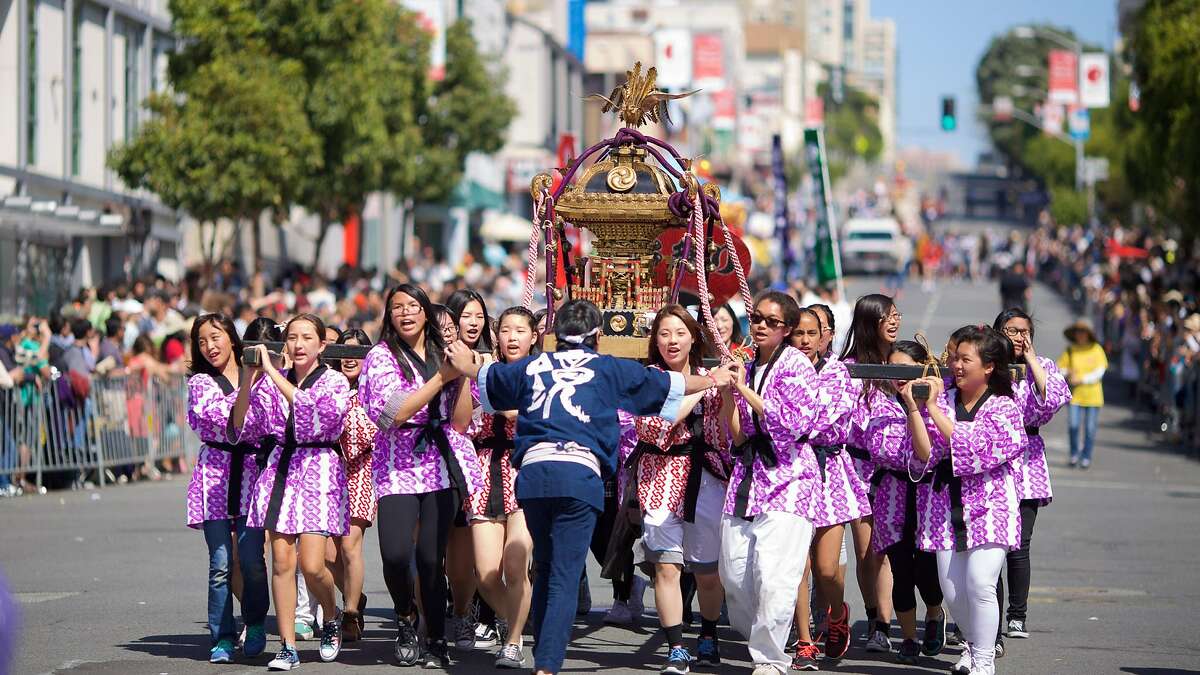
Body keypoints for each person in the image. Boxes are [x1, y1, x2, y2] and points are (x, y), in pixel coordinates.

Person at [444, 299, 730, 675]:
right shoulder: (607, 367)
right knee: (563, 572)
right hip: (578, 477)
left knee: (545, 569)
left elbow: (488, 379)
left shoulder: (534, 365)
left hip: (532, 477)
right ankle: (546, 665)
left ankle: (540, 653)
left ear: (553, 336)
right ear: (597, 336)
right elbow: (670, 385)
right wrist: (713, 379)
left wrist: (467, 362)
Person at [357, 283, 484, 669]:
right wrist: (441, 378)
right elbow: (393, 413)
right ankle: (405, 615)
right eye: (397, 307)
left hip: (439, 463)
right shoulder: (381, 356)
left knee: (431, 559)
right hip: (396, 462)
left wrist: (461, 375)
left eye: (414, 306)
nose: (406, 313)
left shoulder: (441, 353)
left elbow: (461, 422)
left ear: (427, 312)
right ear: (389, 315)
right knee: (396, 554)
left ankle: (435, 637)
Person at [232, 313, 352, 671]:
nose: (298, 345)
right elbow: (241, 427)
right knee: (282, 561)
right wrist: (247, 380)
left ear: (321, 345)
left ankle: (331, 616)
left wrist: (272, 374)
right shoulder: (269, 382)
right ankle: (286, 646)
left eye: (306, 338)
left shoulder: (334, 382)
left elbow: (316, 413)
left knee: (313, 565)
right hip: (280, 470)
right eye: (293, 338)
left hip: (320, 469)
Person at [623, 305, 735, 673]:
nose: (672, 341)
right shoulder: (648, 379)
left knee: (706, 571)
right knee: (666, 568)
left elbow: (724, 435)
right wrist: (701, 389)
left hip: (705, 477)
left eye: (680, 333)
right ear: (655, 340)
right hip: (659, 474)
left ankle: (708, 631)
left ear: (693, 337)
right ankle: (675, 647)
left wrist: (729, 390)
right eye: (664, 334)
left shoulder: (712, 375)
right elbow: (654, 429)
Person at [909, 325, 1026, 675]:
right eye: (954, 358)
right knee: (953, 591)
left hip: (992, 504)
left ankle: (985, 661)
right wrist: (915, 409)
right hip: (946, 505)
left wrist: (933, 410)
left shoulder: (1004, 407)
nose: (956, 366)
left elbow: (977, 449)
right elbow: (923, 454)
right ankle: (973, 648)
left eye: (965, 359)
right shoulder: (941, 398)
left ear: (989, 366)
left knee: (980, 582)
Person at [719, 290, 820, 675]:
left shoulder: (796, 366)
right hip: (748, 476)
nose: (761, 326)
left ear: (788, 329)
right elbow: (738, 435)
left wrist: (744, 389)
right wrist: (730, 394)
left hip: (789, 477)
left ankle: (772, 659)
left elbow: (792, 424)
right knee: (735, 572)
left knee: (777, 576)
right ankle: (761, 638)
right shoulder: (748, 364)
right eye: (756, 318)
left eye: (771, 321)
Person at [184, 313, 270, 663]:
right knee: (220, 562)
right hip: (215, 475)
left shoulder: (264, 379)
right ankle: (221, 636)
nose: (210, 346)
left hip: (252, 472)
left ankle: (256, 623)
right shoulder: (200, 383)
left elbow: (265, 421)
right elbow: (230, 421)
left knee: (251, 558)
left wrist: (255, 378)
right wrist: (249, 383)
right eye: (202, 341)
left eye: (216, 337)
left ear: (232, 338)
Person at [855, 341, 946, 665]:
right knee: (900, 570)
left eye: (906, 369)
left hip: (928, 498)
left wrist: (915, 410)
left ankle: (935, 615)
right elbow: (879, 447)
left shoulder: (939, 402)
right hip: (891, 494)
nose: (899, 378)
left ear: (922, 366)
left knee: (927, 571)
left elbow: (928, 454)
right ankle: (907, 637)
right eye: (893, 369)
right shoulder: (879, 405)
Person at [790, 307, 872, 665]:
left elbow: (822, 419)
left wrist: (786, 422)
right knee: (796, 566)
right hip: (789, 471)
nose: (805, 341)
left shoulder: (839, 373)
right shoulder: (780, 370)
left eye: (812, 333)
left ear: (825, 337)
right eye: (798, 333)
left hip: (829, 473)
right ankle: (804, 640)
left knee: (826, 569)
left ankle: (837, 613)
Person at [992, 309, 1071, 649]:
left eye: (1024, 331)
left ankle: (1017, 614)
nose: (1018, 336)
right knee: (990, 548)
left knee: (1019, 547)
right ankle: (989, 621)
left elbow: (1053, 400)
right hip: (994, 461)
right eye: (1011, 330)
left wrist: (1031, 359)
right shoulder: (988, 365)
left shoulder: (1044, 366)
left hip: (1028, 462)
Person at [466, 307, 539, 669]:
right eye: (505, 330)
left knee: (515, 561)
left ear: (534, 336)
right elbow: (462, 420)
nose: (511, 337)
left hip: (525, 469)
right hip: (483, 470)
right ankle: (519, 621)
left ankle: (512, 641)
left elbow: (544, 417)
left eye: (519, 330)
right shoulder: (483, 372)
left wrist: (510, 412)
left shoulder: (544, 374)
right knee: (485, 573)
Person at [838, 293, 898, 652]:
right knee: (866, 552)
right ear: (869, 321)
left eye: (896, 315)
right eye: (887, 317)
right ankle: (876, 619)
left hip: (896, 470)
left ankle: (888, 625)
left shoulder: (904, 359)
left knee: (885, 550)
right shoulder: (848, 367)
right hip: (856, 467)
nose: (894, 322)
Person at [443, 289, 497, 650]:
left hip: (491, 458)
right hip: (449, 458)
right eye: (466, 316)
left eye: (479, 316)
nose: (474, 323)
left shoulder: (495, 359)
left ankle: (490, 615)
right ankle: (454, 610)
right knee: (450, 549)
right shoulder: (439, 358)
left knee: (487, 549)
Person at [328, 328, 377, 643]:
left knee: (349, 545)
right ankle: (355, 596)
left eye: (357, 352)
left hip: (363, 469)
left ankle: (349, 615)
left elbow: (376, 431)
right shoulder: (328, 387)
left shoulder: (373, 390)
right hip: (328, 471)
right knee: (322, 554)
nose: (349, 359)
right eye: (344, 352)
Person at [1058, 319, 1105, 469]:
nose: (1080, 335)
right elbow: (1059, 368)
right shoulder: (1071, 350)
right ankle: (1074, 453)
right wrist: (1068, 372)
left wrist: (1082, 379)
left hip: (1093, 396)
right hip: (1075, 396)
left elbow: (1100, 371)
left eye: (1083, 331)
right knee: (1073, 425)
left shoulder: (1096, 349)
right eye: (1078, 332)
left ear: (1088, 334)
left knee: (1090, 429)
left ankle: (1086, 456)